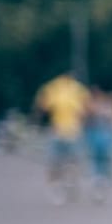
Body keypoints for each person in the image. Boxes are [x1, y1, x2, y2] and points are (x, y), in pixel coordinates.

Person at [32, 70, 91, 204]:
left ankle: (61, 187)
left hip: (62, 130)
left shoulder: (54, 87)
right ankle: (67, 185)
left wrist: (37, 119)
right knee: (69, 163)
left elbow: (42, 106)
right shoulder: (76, 88)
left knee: (57, 163)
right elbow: (87, 109)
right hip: (69, 131)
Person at [84, 86, 112, 201]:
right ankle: (99, 181)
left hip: (104, 139)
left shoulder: (107, 109)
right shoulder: (92, 109)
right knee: (98, 161)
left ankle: (103, 181)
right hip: (97, 138)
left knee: (104, 162)